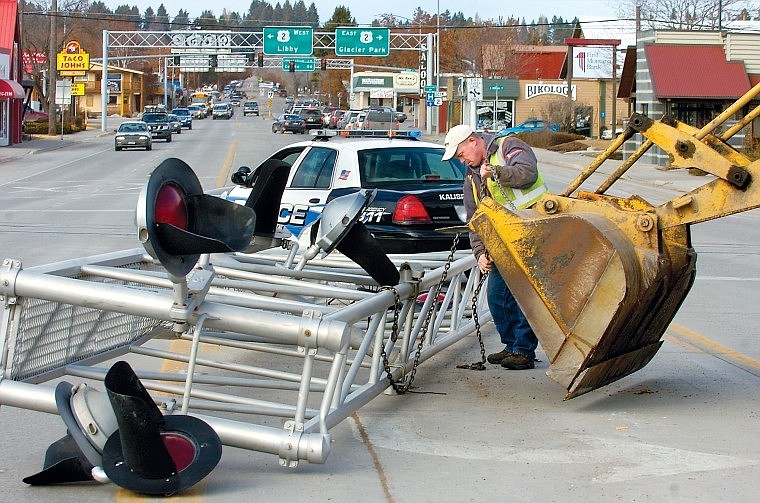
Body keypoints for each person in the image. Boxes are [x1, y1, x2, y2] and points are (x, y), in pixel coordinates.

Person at [441, 124, 548, 370]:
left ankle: (523, 350)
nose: (462, 161)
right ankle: (511, 345)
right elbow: (475, 219)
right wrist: (479, 253)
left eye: (461, 154)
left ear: (473, 141)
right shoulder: (471, 176)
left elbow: (527, 173)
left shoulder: (508, 146)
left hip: (532, 231)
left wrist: (497, 172)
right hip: (502, 241)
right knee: (497, 297)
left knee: (524, 296)